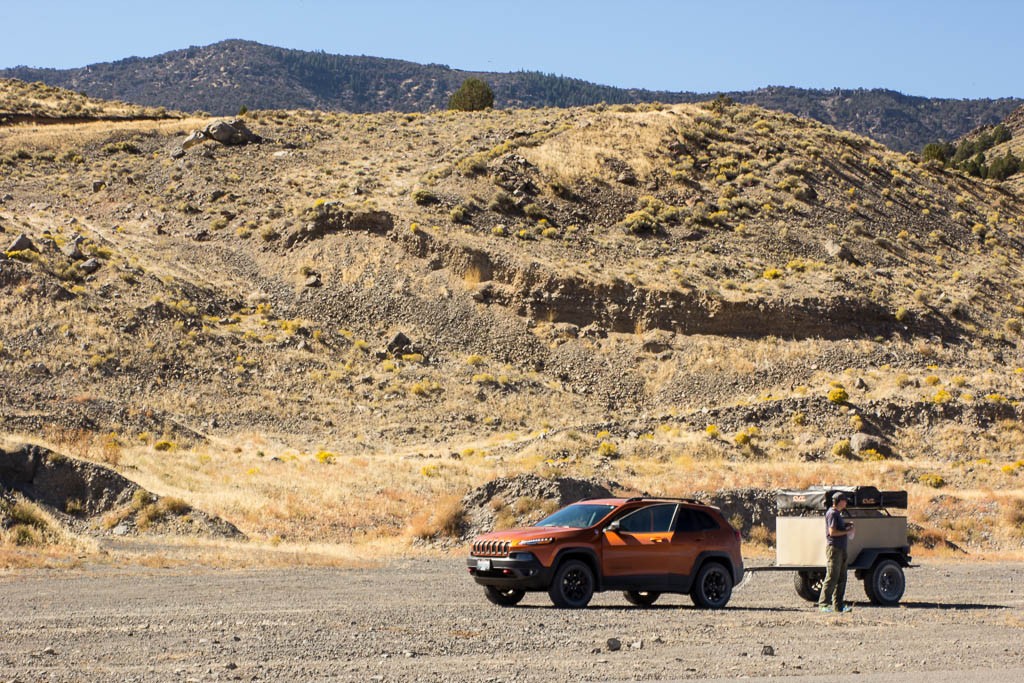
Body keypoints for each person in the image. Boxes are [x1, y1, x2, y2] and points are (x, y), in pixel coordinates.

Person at [817, 492, 855, 613]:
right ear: (839, 501)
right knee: (832, 576)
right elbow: (832, 532)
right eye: (844, 501)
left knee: (842, 577)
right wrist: (847, 532)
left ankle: (839, 606)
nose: (846, 503)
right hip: (834, 549)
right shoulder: (832, 513)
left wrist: (846, 525)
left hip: (841, 548)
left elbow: (838, 527)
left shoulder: (837, 514)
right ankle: (823, 604)